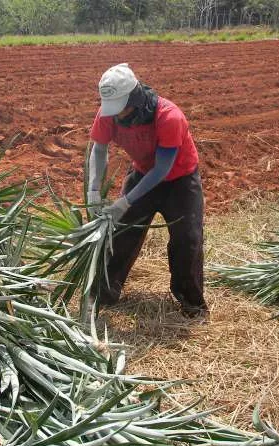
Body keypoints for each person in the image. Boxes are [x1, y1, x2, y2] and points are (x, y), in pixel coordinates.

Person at [88, 63, 208, 319]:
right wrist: (94, 189)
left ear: (136, 98)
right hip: (142, 173)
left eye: (122, 109)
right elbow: (99, 149)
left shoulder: (168, 116)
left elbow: (162, 169)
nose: (117, 116)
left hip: (180, 181)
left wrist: (125, 201)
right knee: (121, 233)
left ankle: (191, 302)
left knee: (188, 238)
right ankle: (105, 293)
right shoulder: (108, 114)